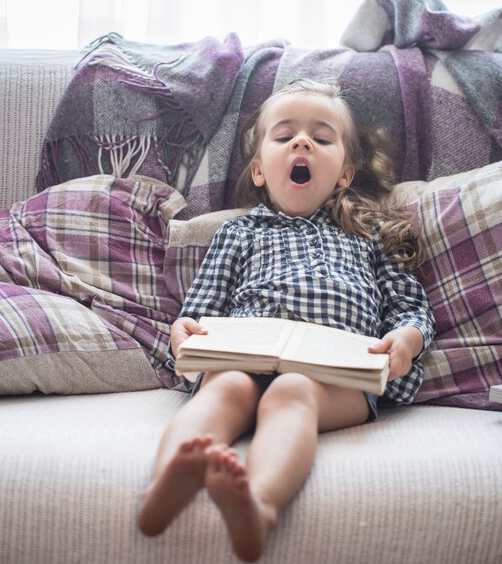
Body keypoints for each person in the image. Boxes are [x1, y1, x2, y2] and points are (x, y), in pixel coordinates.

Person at [137, 78, 435, 562]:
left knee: (292, 393)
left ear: (343, 174)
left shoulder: (369, 234)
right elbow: (201, 309)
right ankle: (167, 481)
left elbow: (408, 305)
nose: (302, 143)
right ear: (259, 170)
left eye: (321, 138)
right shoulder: (237, 232)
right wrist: (184, 332)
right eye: (285, 136)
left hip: (335, 371)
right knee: (224, 388)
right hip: (244, 352)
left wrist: (407, 339)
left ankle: (260, 504)